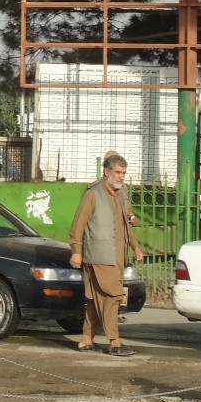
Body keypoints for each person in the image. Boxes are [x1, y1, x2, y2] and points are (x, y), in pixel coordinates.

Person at [69, 150, 143, 356]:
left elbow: (125, 225)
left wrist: (135, 246)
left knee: (95, 299)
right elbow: (78, 225)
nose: (121, 177)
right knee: (114, 297)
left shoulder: (119, 194)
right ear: (106, 171)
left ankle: (86, 340)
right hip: (99, 255)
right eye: (118, 172)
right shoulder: (92, 193)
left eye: (124, 173)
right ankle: (115, 342)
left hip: (116, 256)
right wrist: (76, 251)